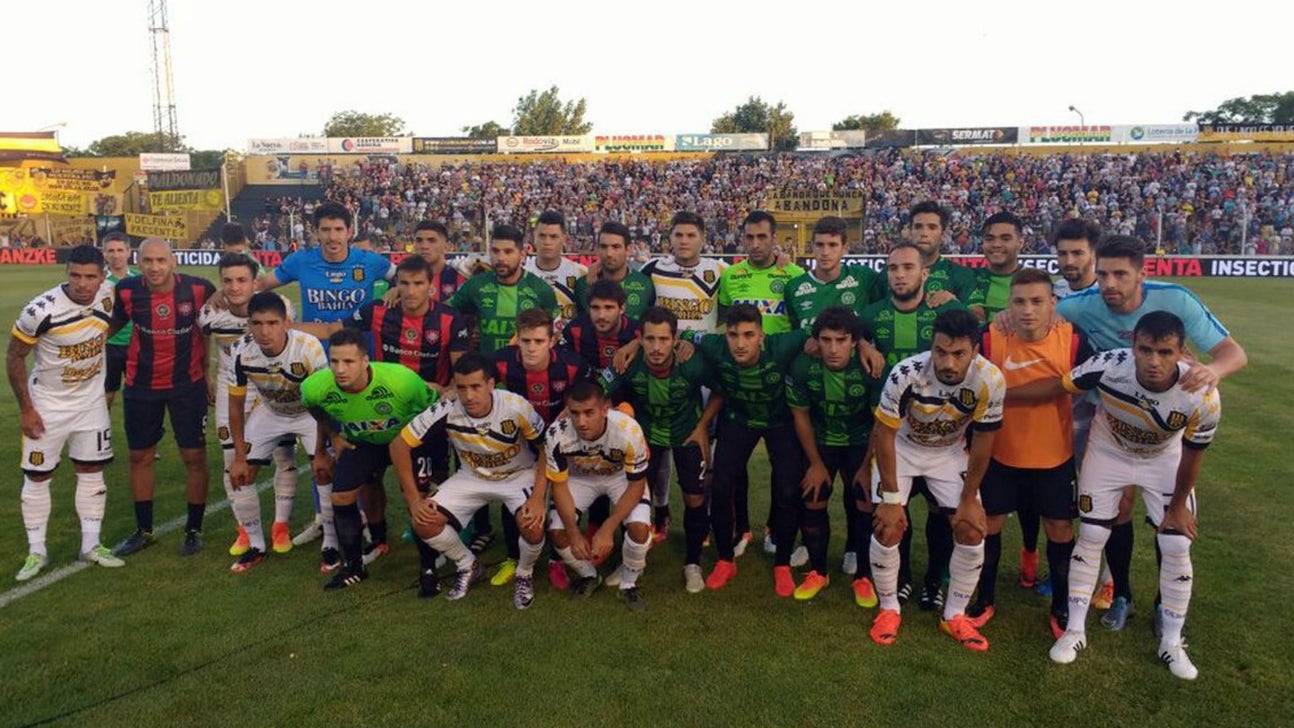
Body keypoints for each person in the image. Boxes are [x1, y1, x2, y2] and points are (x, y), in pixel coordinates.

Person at [1049, 235, 1247, 630]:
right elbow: (1037, 319)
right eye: (1103, 274)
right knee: (1118, 508)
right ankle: (1121, 593)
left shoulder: (1176, 300)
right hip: (1114, 422)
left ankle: (1164, 604)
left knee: (1171, 524)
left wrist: (1213, 371)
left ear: (1142, 273)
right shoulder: (1077, 307)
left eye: (1120, 275)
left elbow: (1234, 354)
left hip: (1165, 428)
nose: (1109, 284)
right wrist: (1005, 317)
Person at [1015, 312, 1222, 680]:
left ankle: (1172, 641)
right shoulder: (1109, 366)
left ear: (1182, 353)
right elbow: (1057, 387)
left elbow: (1193, 457)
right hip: (1109, 453)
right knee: (1093, 534)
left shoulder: (1202, 395)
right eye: (1145, 350)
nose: (1153, 361)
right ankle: (1075, 631)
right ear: (1133, 346)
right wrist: (1004, 395)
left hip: (1164, 460)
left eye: (1164, 352)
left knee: (1176, 544)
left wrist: (1177, 508)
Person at [868, 308, 1004, 651]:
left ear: (975, 350)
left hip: (948, 453)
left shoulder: (991, 380)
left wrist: (970, 498)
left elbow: (985, 440)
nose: (948, 362)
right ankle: (888, 609)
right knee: (889, 527)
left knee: (972, 529)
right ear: (932, 345)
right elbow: (884, 434)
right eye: (941, 351)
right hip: (902, 449)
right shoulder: (906, 374)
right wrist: (889, 499)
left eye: (959, 353)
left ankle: (954, 615)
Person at [972, 269, 1092, 636]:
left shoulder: (1072, 339)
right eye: (1020, 301)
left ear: (1052, 303)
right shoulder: (991, 338)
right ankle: (985, 599)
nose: (1028, 310)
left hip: (1054, 456)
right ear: (1008, 304)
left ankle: (1060, 607)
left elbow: (1089, 380)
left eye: (1037, 301)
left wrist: (1009, 391)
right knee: (989, 525)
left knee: (1058, 527)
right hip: (1000, 454)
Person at [390, 354, 549, 608]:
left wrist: (539, 497)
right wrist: (414, 500)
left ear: (490, 385)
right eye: (462, 387)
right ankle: (469, 565)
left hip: (517, 475)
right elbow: (399, 445)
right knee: (423, 522)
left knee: (533, 524)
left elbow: (545, 447)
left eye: (476, 387)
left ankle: (524, 573)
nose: (468, 395)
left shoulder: (515, 406)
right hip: (471, 477)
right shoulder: (446, 408)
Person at [858, 241, 966, 611]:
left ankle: (935, 579)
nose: (900, 275)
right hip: (890, 433)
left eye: (907, 267)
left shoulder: (944, 311)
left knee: (942, 512)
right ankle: (900, 578)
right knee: (892, 509)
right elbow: (851, 331)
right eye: (893, 269)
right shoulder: (871, 315)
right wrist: (862, 344)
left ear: (925, 274)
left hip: (938, 434)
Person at [8, 245, 124, 580]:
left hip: (90, 404)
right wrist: (27, 409)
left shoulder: (108, 294)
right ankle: (36, 552)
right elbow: (15, 357)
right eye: (75, 275)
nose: (82, 284)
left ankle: (91, 545)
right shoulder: (39, 311)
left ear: (102, 276)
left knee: (91, 471)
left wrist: (96, 342)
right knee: (38, 475)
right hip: (47, 406)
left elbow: (114, 321)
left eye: (90, 276)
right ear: (67, 274)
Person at [300, 328, 436, 590]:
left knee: (416, 496)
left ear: (365, 361)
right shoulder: (315, 386)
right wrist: (331, 440)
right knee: (342, 495)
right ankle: (357, 563)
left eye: (349, 361)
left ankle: (429, 562)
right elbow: (314, 408)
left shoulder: (401, 380)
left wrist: (428, 454)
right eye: (334, 361)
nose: (340, 369)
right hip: (363, 440)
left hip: (408, 440)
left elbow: (433, 410)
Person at [690, 304, 809, 592]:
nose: (740, 343)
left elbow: (824, 330)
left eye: (748, 335)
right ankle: (725, 560)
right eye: (733, 335)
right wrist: (678, 345)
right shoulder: (714, 344)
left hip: (779, 422)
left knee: (787, 489)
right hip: (738, 419)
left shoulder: (782, 344)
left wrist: (863, 348)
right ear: (725, 334)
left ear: (762, 336)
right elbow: (678, 333)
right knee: (720, 487)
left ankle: (782, 563)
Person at [109, 238, 215, 557]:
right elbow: (108, 328)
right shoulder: (126, 291)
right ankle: (145, 530)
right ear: (138, 262)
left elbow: (214, 325)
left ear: (173, 261)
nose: (155, 267)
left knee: (194, 457)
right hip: (141, 386)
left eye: (161, 260)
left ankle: (193, 529)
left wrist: (208, 372)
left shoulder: (200, 289)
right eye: (148, 261)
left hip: (188, 385)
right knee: (139, 457)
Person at [200, 254, 305, 560]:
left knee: (284, 455)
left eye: (242, 279)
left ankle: (280, 526)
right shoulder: (210, 312)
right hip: (230, 390)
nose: (235, 287)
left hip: (270, 388)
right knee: (231, 458)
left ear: (254, 281)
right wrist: (205, 373)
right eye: (228, 280)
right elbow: (202, 338)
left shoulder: (279, 305)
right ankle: (246, 529)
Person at [601, 306, 713, 591]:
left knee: (694, 498)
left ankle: (693, 563)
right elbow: (597, 389)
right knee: (635, 497)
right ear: (640, 338)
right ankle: (630, 563)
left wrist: (703, 427)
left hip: (686, 433)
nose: (656, 347)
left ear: (675, 339)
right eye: (650, 339)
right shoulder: (629, 359)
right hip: (646, 436)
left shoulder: (692, 361)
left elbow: (722, 389)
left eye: (664, 339)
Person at [489, 308, 594, 588]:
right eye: (526, 341)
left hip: (562, 441)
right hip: (522, 442)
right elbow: (480, 386)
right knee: (516, 495)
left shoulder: (573, 365)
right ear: (517, 340)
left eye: (538, 341)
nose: (531, 348)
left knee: (561, 498)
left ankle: (555, 560)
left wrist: (567, 415)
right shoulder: (500, 362)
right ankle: (513, 557)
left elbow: (587, 398)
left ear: (551, 340)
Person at [225, 293, 328, 573]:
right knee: (241, 476)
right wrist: (238, 456)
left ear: (286, 323)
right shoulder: (240, 351)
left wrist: (320, 452)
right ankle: (256, 546)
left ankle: (330, 544)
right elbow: (235, 406)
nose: (264, 331)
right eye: (257, 324)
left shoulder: (308, 346)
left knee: (325, 470)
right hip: (271, 413)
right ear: (249, 324)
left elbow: (324, 403)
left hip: (309, 415)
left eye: (272, 323)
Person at [786, 306, 876, 602]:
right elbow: (800, 416)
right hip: (821, 441)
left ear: (854, 341)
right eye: (826, 340)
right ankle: (819, 572)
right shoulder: (802, 367)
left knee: (864, 501)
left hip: (860, 442)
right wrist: (814, 463)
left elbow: (880, 423)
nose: (834, 348)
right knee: (813, 496)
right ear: (816, 342)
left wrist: (865, 466)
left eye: (842, 340)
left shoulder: (869, 369)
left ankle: (864, 575)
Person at [545, 380, 652, 611]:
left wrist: (608, 527)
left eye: (589, 413)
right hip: (580, 478)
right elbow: (559, 486)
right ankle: (589, 575)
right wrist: (574, 533)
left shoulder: (629, 429)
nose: (581, 421)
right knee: (558, 531)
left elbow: (637, 484)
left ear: (605, 409)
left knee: (639, 529)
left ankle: (629, 582)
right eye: (575, 413)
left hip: (620, 478)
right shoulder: (556, 434)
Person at [254, 202, 395, 325]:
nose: (332, 237)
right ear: (316, 232)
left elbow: (405, 276)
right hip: (315, 350)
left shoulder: (370, 261)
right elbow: (260, 285)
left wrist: (396, 289)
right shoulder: (300, 260)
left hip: (357, 350)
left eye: (338, 229)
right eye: (326, 230)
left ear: (349, 232)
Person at [448, 224, 558, 355]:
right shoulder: (475, 285)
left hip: (521, 371)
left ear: (522, 254)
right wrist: (466, 332)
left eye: (508, 251)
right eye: (495, 251)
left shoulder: (541, 289)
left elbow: (556, 332)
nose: (500, 258)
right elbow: (444, 312)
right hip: (486, 371)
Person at [784, 216, 883, 331]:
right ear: (812, 247)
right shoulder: (794, 287)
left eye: (832, 245)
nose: (825, 252)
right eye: (819, 245)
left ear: (844, 248)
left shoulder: (864, 277)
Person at [717, 210, 805, 334]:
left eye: (762, 237)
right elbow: (723, 321)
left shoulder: (796, 275)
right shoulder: (730, 274)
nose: (755, 244)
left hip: (780, 352)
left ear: (774, 238)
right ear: (743, 239)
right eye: (750, 237)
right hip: (742, 351)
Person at [640, 212, 727, 333]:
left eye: (691, 235)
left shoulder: (721, 270)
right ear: (671, 238)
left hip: (704, 349)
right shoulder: (653, 268)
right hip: (663, 349)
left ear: (702, 239)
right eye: (678, 235)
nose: (684, 241)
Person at [574, 221, 655, 320]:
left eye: (616, 247)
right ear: (597, 249)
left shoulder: (646, 284)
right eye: (603, 247)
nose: (609, 253)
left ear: (628, 250)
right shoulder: (582, 285)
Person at [904, 201, 977, 305]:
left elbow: (978, 317)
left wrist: (955, 304)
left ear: (943, 234)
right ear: (910, 232)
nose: (924, 233)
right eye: (918, 227)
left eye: (932, 227)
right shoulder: (888, 275)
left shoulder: (961, 275)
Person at [524, 210, 587, 325]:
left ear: (564, 239)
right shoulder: (523, 273)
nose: (547, 242)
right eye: (542, 236)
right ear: (534, 237)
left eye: (553, 237)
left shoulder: (580, 273)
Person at [559, 280, 639, 369]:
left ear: (622, 308)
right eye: (595, 308)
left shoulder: (637, 331)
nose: (601, 316)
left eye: (608, 308)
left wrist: (639, 342)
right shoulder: (574, 330)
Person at [968, 211, 1026, 323]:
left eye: (1005, 239)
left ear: (1020, 242)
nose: (996, 245)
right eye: (989, 239)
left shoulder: (1035, 283)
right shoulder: (966, 280)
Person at [101, 232, 137, 409]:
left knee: (138, 392)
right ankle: (99, 432)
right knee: (107, 391)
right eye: (111, 251)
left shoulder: (140, 279)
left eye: (120, 250)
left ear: (129, 252)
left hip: (137, 344)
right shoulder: (99, 282)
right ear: (104, 253)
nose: (116, 255)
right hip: (109, 344)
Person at [1052, 218, 1101, 299]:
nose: (1069, 262)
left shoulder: (1105, 295)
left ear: (1094, 255)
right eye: (1062, 254)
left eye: (1077, 253)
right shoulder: (1055, 292)